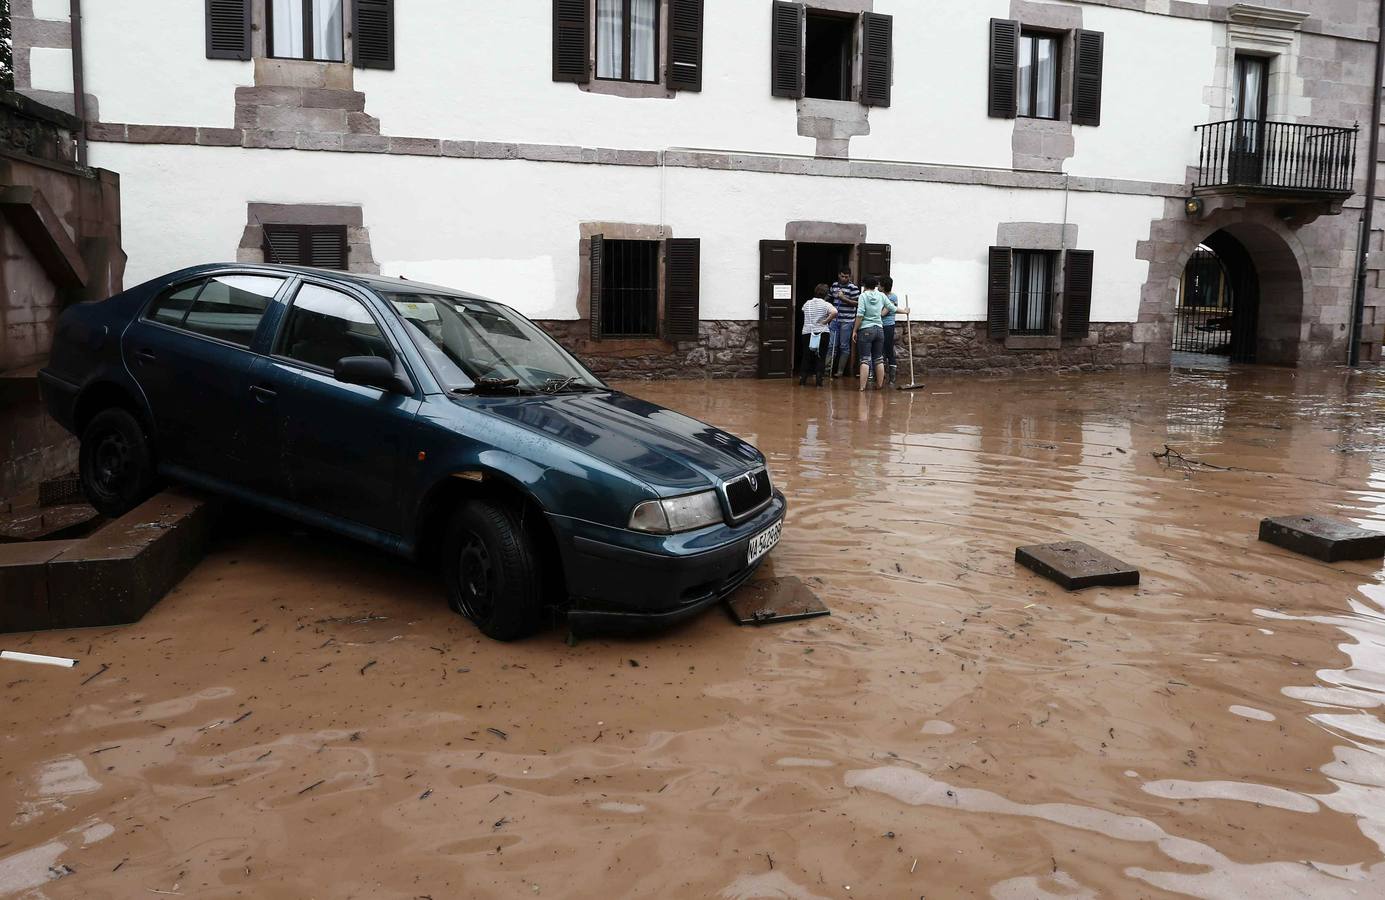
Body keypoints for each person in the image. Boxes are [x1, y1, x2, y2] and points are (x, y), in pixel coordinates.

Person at [852, 276, 895, 392]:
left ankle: (862, 387)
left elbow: (860, 314)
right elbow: (891, 307)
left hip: (866, 330)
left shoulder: (863, 296)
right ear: (875, 285)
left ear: (864, 286)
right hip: (879, 330)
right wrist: (905, 311)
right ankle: (880, 385)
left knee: (865, 359)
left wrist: (855, 330)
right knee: (878, 359)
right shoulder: (881, 295)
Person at [799, 284, 837, 386]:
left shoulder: (807, 303)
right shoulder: (826, 304)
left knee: (806, 356)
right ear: (826, 294)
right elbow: (834, 312)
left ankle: (803, 379)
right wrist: (826, 321)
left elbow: (803, 310)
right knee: (821, 356)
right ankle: (819, 380)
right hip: (822, 332)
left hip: (807, 332)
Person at [826, 269, 860, 378]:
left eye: (846, 276)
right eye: (842, 276)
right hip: (835, 320)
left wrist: (843, 298)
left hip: (847, 321)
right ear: (838, 275)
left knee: (844, 346)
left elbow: (857, 303)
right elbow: (829, 297)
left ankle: (840, 372)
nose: (844, 278)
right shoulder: (834, 285)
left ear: (850, 277)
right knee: (831, 345)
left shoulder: (853, 288)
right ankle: (827, 370)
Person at [879, 276, 910, 387]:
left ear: (883, 286)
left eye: (879, 284)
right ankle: (880, 376)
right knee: (880, 351)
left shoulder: (892, 297)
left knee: (888, 350)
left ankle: (892, 378)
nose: (878, 286)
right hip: (879, 326)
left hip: (888, 326)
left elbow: (883, 313)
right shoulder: (880, 296)